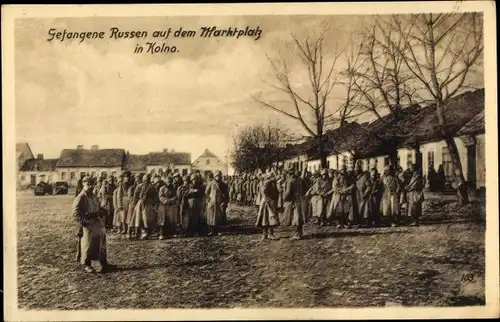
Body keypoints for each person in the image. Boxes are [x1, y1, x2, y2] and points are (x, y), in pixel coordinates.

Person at [72, 176, 117, 273]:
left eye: (92, 184)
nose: (90, 186)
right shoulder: (81, 197)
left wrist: (103, 211)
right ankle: (87, 264)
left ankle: (104, 263)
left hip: (97, 222)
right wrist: (84, 222)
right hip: (88, 223)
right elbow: (75, 213)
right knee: (87, 245)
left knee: (101, 243)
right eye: (88, 184)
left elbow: (98, 207)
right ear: (83, 184)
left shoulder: (93, 196)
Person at [283, 170, 307, 239]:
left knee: (295, 217)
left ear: (289, 174)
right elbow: (306, 188)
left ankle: (297, 234)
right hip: (301, 199)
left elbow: (288, 192)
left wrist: (285, 199)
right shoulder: (300, 180)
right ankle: (300, 232)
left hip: (293, 201)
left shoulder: (290, 181)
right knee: (300, 216)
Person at [255, 172, 280, 240]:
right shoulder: (266, 183)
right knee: (265, 219)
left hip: (271, 202)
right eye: (272, 176)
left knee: (271, 219)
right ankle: (265, 234)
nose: (274, 177)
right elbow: (264, 193)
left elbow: (276, 192)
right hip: (266, 203)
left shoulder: (272, 183)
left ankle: (270, 234)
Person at [205, 171, 229, 236]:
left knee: (219, 217)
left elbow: (226, 195)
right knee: (211, 217)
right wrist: (208, 201)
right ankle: (212, 231)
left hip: (219, 203)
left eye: (219, 176)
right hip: (212, 203)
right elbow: (206, 193)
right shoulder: (211, 184)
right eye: (217, 176)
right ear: (215, 177)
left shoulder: (224, 185)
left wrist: (225, 202)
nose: (218, 177)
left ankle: (218, 231)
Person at [355, 163, 372, 227]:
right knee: (359, 209)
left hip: (363, 196)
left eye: (357, 170)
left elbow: (369, 186)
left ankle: (367, 222)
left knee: (365, 209)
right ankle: (359, 223)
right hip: (357, 195)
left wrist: (365, 193)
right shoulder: (355, 178)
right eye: (355, 170)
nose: (356, 172)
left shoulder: (364, 177)